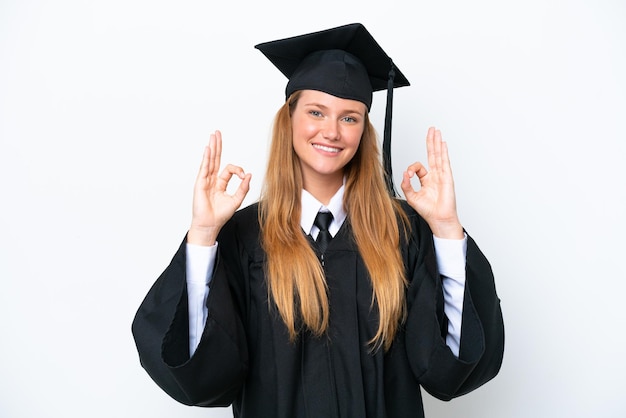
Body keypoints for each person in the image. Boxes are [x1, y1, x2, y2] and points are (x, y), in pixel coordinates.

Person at [132, 23, 504, 418]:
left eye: (350, 118)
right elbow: (201, 379)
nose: (332, 131)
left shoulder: (403, 233)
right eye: (316, 112)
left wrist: (446, 229)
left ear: (364, 131)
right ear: (289, 118)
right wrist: (204, 235)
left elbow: (451, 372)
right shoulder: (243, 238)